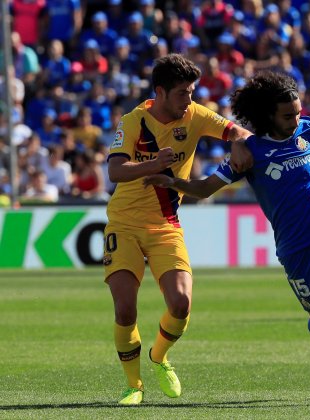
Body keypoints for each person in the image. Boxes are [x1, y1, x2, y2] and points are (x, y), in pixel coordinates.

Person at [143, 71, 310, 396]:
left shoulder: (307, 128)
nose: (296, 120)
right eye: (288, 115)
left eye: (299, 112)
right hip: (295, 249)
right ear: (267, 115)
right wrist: (174, 183)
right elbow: (205, 188)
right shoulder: (250, 152)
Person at [104, 53, 252, 405]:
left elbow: (236, 129)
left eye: (192, 91)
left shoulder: (196, 115)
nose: (189, 99)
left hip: (165, 225)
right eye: (183, 93)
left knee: (182, 302)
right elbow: (115, 171)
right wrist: (154, 164)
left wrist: (237, 141)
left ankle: (159, 356)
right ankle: (133, 386)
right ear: (160, 92)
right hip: (123, 223)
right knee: (125, 309)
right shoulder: (134, 120)